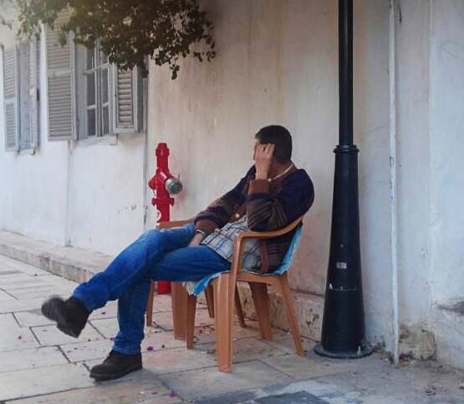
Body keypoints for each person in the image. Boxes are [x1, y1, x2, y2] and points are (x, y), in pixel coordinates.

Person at [41, 125, 314, 381]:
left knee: (142, 266)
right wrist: (200, 232)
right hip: (210, 235)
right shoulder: (254, 173)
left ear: (268, 152)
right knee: (153, 238)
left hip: (232, 251)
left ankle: (119, 344)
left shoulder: (299, 185)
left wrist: (262, 178)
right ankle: (83, 309)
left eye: (257, 150)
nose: (253, 156)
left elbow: (260, 222)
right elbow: (226, 202)